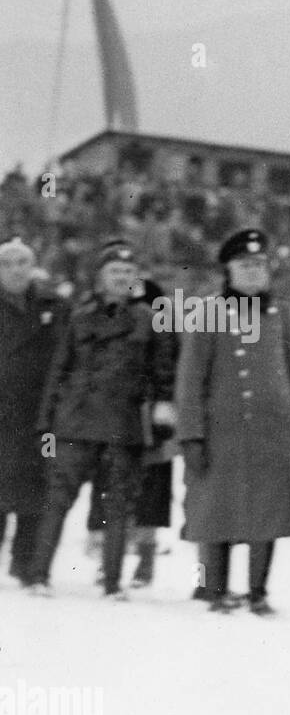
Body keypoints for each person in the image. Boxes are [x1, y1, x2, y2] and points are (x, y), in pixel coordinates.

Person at [176, 228, 290, 614]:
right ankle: (213, 589)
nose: (254, 271)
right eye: (245, 265)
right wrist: (191, 435)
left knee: (267, 513)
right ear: (229, 270)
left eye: (260, 264)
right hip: (221, 433)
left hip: (272, 434)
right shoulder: (207, 312)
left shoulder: (282, 315)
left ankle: (257, 592)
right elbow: (190, 382)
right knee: (216, 510)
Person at [29, 241, 175, 598]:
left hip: (123, 424)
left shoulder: (150, 319)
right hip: (75, 423)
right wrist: (45, 422)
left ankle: (112, 583)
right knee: (58, 501)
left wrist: (162, 408)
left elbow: (163, 371)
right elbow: (59, 370)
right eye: (114, 272)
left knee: (118, 506)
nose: (121, 278)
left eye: (127, 272)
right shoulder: (79, 317)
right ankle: (38, 576)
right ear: (100, 277)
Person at [0, 238, 66, 587]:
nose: (15, 270)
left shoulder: (54, 305)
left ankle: (25, 563)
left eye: (22, 262)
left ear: (33, 266)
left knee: (38, 487)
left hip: (42, 415)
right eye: (8, 263)